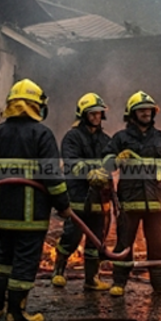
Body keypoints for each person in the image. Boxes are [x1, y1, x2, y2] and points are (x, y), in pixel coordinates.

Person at [0, 78, 72, 321]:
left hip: (3, 213)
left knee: (4, 257)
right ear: (36, 105)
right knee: (24, 261)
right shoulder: (41, 134)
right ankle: (16, 315)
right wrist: (63, 205)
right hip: (31, 215)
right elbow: (52, 176)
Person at [102, 91, 161, 297]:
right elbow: (106, 163)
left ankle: (160, 284)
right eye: (141, 110)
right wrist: (117, 158)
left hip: (156, 201)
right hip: (130, 201)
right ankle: (119, 283)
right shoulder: (120, 138)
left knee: (157, 244)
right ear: (132, 113)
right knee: (124, 243)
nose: (146, 112)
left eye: (148, 109)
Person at [51, 93, 112, 291]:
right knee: (72, 236)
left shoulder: (106, 139)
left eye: (99, 113)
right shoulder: (72, 137)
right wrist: (90, 173)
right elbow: (71, 162)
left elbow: (111, 162)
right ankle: (58, 271)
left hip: (100, 199)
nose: (96, 117)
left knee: (96, 240)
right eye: (92, 113)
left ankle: (91, 279)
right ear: (83, 114)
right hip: (78, 197)